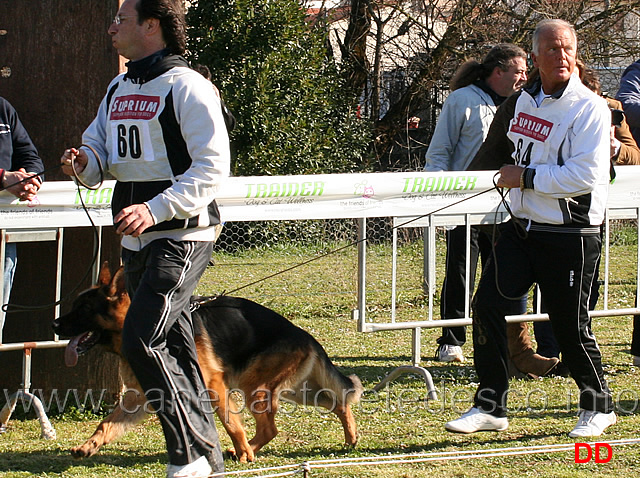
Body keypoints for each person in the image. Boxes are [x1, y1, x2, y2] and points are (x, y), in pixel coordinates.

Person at [60, 1, 230, 476]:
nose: (112, 27)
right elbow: (100, 152)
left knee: (139, 340)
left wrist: (154, 209)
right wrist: (84, 163)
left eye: (121, 19)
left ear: (151, 26)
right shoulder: (118, 86)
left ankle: (189, 455)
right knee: (174, 349)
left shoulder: (190, 87)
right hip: (135, 242)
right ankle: (209, 461)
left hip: (183, 236)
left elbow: (212, 169)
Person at [445, 19, 616, 437]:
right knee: (487, 306)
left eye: (567, 48)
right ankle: (490, 406)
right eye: (552, 50)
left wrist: (525, 177)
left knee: (568, 325)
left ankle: (599, 406)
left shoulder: (589, 107)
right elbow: (495, 156)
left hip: (570, 234)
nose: (561, 56)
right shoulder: (521, 102)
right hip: (521, 228)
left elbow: (585, 176)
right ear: (535, 57)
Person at [424, 44, 557, 376]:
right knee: (460, 270)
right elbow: (440, 151)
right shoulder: (462, 100)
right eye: (519, 71)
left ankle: (513, 349)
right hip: (465, 202)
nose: (525, 76)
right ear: (498, 72)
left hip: (509, 205)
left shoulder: (528, 103)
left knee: (506, 277)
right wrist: (438, 196)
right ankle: (451, 339)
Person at [0, 96, 44, 336]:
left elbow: (29, 156)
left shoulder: (3, 109)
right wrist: (2, 178)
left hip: (3, 237)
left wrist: (31, 179)